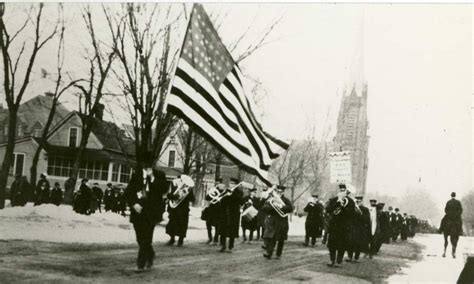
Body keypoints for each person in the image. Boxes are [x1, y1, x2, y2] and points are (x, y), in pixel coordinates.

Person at [125, 156, 168, 272]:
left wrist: (152, 177)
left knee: (146, 238)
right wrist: (134, 204)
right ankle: (150, 254)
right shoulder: (136, 175)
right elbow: (129, 192)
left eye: (150, 164)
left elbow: (164, 189)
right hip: (138, 212)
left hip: (152, 213)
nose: (147, 166)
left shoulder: (160, 175)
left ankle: (141, 264)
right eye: (145, 164)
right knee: (140, 238)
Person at [325, 184, 357, 267]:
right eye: (341, 190)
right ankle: (332, 260)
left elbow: (352, 214)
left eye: (344, 190)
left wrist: (342, 206)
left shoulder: (350, 201)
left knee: (342, 245)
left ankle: (339, 261)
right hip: (334, 225)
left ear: (346, 191)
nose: (342, 191)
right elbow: (328, 210)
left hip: (344, 226)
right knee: (331, 244)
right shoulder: (334, 199)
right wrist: (337, 203)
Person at [262, 185, 293, 259]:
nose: (279, 193)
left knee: (281, 239)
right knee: (272, 238)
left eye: (280, 192)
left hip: (282, 222)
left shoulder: (286, 200)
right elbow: (264, 209)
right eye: (277, 191)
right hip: (273, 222)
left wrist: (281, 206)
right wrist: (271, 206)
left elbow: (290, 208)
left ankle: (278, 253)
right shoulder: (271, 199)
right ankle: (269, 253)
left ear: (283, 192)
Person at [166, 177, 195, 247]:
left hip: (183, 210)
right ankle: (172, 239)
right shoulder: (174, 188)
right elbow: (168, 196)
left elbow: (193, 199)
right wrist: (175, 196)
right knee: (172, 224)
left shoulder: (188, 190)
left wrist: (186, 194)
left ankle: (180, 241)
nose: (182, 183)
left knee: (182, 225)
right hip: (174, 210)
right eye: (181, 181)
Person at [217, 178, 243, 253]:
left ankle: (230, 247)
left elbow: (240, 201)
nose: (231, 184)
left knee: (232, 231)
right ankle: (223, 246)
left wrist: (232, 195)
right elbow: (221, 201)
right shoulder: (226, 191)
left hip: (234, 214)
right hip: (225, 213)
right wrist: (226, 196)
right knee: (223, 230)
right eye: (230, 183)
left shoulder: (239, 192)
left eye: (233, 183)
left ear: (236, 184)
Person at [346, 196, 370, 263]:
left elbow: (367, 220)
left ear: (362, 201)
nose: (358, 202)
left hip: (360, 229)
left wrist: (360, 214)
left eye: (359, 201)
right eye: (357, 201)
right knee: (350, 242)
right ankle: (349, 256)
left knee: (358, 244)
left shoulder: (365, 209)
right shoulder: (352, 208)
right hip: (352, 228)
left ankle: (356, 258)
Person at [439, 192, 463, 258]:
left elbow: (445, 210)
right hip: (456, 217)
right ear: (455, 195)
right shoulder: (458, 202)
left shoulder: (448, 202)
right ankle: (460, 231)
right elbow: (460, 210)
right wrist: (457, 215)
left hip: (449, 217)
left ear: (451, 196)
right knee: (460, 222)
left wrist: (449, 214)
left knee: (443, 220)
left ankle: (440, 229)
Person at [203, 179, 222, 245]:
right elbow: (207, 198)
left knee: (217, 225)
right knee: (208, 224)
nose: (217, 184)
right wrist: (210, 192)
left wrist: (218, 196)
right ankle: (210, 237)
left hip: (218, 210)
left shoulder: (222, 191)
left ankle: (216, 239)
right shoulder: (212, 190)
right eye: (216, 182)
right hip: (211, 209)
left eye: (219, 183)